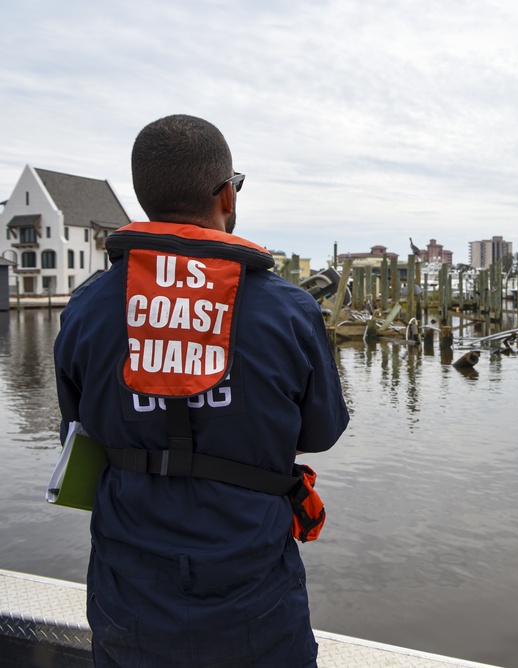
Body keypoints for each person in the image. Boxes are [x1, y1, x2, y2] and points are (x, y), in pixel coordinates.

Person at [54, 114, 349, 667]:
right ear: (226, 198)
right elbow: (323, 431)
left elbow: (77, 433)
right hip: (255, 597)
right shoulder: (288, 310)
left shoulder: (86, 310)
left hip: (129, 601)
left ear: (146, 199)